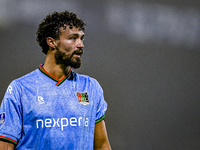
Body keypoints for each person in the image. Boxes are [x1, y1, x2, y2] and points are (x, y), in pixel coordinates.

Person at [0, 10, 111, 150]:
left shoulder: (90, 87)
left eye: (81, 38)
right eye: (73, 38)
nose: (80, 44)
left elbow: (102, 146)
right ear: (51, 42)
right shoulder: (20, 89)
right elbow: (5, 146)